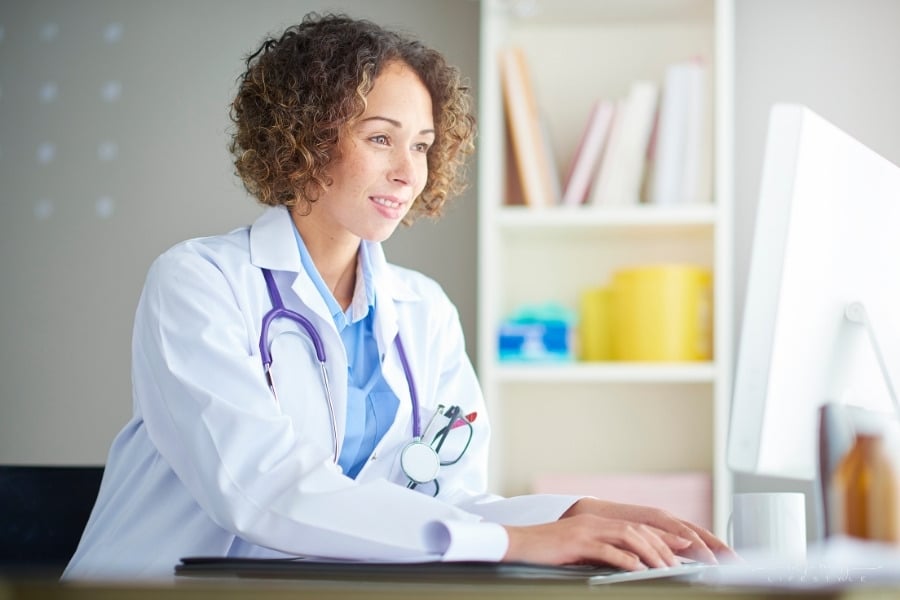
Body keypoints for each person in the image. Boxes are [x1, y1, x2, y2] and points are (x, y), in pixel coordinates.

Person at [63, 12, 734, 579]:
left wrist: (568, 515)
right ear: (306, 137)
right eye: (380, 138)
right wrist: (517, 542)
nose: (408, 172)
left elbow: (451, 505)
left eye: (422, 145)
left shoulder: (423, 311)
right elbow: (260, 490)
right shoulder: (198, 283)